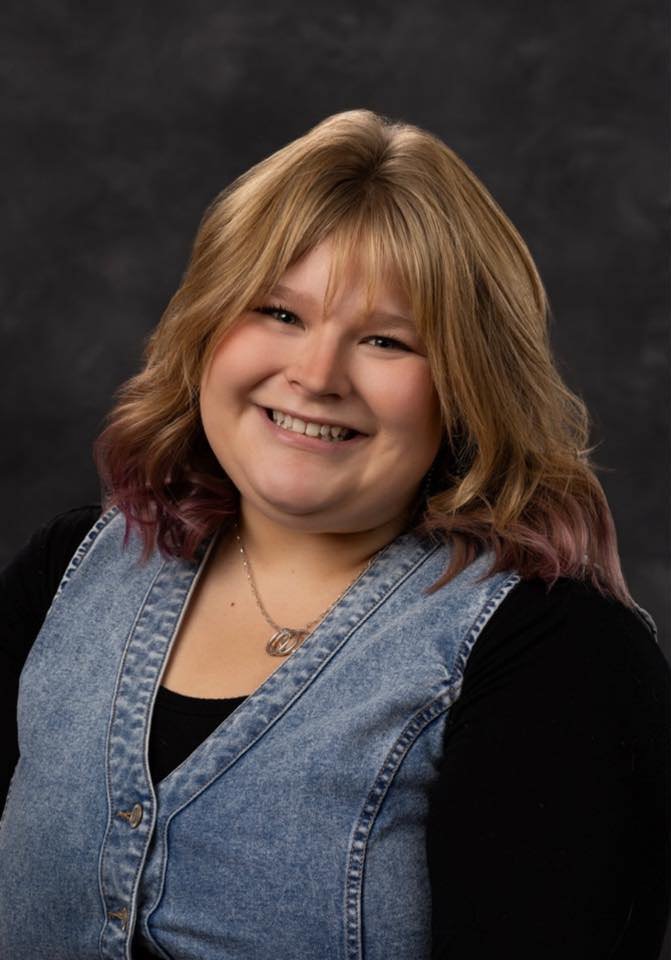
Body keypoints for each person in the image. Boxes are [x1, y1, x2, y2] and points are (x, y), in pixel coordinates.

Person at [0, 108, 668, 960]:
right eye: (279, 314)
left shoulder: (560, 659)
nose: (315, 376)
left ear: (468, 386)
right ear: (208, 328)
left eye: (387, 340)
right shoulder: (69, 570)